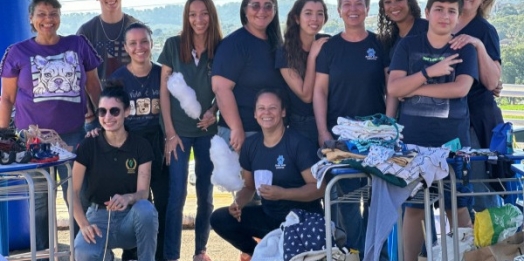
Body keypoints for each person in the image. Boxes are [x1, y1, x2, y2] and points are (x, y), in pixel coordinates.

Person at [0, 0, 102, 254]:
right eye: (42, 14)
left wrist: (103, 121)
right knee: (40, 201)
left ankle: (82, 253)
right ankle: (43, 254)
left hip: (75, 135)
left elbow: (94, 87)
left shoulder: (78, 45)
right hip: (33, 140)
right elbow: (7, 98)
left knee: (78, 196)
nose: (48, 19)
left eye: (54, 14)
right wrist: (3, 134)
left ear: (60, 17)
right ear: (31, 19)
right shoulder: (16, 52)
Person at [387, 0, 478, 259]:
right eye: (439, 9)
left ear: (459, 17)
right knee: (414, 209)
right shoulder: (408, 45)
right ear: (427, 13)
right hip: (413, 144)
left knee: (457, 207)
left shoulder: (464, 48)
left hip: (453, 147)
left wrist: (414, 87)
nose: (445, 16)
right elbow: (394, 89)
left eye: (452, 11)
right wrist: (430, 71)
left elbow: (460, 89)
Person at [312, 0, 393, 258]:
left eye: (359, 3)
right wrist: (323, 132)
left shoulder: (380, 44)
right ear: (339, 10)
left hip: (376, 139)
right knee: (346, 203)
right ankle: (356, 251)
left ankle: (377, 253)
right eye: (347, 3)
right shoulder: (330, 48)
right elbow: (320, 91)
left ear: (368, 9)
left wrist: (389, 126)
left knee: (377, 201)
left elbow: (392, 88)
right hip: (342, 142)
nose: (353, 8)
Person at [210, 89, 324, 261]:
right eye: (261, 108)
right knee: (220, 218)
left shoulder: (298, 144)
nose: (266, 113)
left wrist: (283, 193)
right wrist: (238, 204)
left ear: (283, 111)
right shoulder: (251, 145)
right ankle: (258, 253)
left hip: (301, 220)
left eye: (272, 108)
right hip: (270, 217)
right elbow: (249, 186)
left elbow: (318, 188)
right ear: (255, 114)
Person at [157, 0, 222, 260]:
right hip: (179, 134)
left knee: (205, 195)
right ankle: (171, 255)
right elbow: (163, 91)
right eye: (193, 14)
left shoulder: (220, 47)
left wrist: (214, 110)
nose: (199, 19)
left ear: (211, 15)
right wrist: (169, 133)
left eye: (204, 13)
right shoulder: (173, 45)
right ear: (187, 17)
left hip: (208, 133)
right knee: (177, 195)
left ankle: (200, 251)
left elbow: (225, 86)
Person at [73, 82, 159, 261]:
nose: (107, 117)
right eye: (102, 111)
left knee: (146, 209)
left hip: (130, 218)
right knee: (83, 253)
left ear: (126, 112)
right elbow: (72, 191)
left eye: (114, 111)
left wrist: (128, 197)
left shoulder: (140, 145)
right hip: (98, 217)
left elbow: (143, 192)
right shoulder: (89, 144)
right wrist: (84, 225)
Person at [107, 22, 169, 261]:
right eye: (133, 43)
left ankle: (160, 255)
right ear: (126, 47)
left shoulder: (163, 73)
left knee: (162, 205)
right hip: (129, 149)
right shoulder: (117, 80)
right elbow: (108, 116)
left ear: (152, 43)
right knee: (135, 206)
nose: (139, 47)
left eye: (144, 41)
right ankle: (132, 254)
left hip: (159, 146)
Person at [211, 0, 286, 153]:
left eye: (268, 5)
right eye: (255, 5)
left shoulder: (276, 43)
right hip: (241, 134)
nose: (262, 10)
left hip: (272, 135)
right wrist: (236, 128)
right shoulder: (234, 44)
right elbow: (221, 89)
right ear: (245, 9)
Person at [449, 0, 503, 211]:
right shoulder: (440, 24)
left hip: (475, 122)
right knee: (451, 194)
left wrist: (477, 45)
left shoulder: (485, 31)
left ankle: (491, 244)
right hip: (444, 120)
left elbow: (491, 82)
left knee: (478, 190)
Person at [77, 0, 139, 132]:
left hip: (133, 114)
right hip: (99, 117)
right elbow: (77, 76)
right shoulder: (86, 31)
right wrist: (89, 114)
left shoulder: (135, 27)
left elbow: (144, 67)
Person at [276, 0, 329, 146]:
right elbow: (306, 95)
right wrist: (312, 57)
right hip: (303, 124)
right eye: (308, 13)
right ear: (296, 18)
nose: (315, 19)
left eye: (320, 14)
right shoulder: (285, 52)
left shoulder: (326, 42)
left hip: (331, 117)